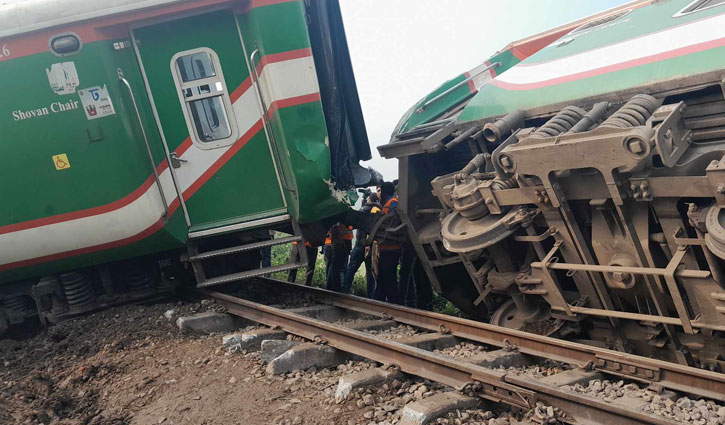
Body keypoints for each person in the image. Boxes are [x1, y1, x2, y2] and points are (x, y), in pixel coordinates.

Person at [343, 193, 381, 296]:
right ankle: (370, 295)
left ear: (368, 199)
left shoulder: (364, 209)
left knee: (351, 269)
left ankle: (345, 291)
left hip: (360, 244)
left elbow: (356, 221)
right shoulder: (378, 210)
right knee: (370, 272)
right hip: (371, 246)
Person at [374, 182, 402, 304]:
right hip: (386, 248)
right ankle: (379, 302)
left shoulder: (393, 203)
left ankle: (394, 304)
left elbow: (393, 222)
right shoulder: (388, 204)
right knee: (383, 277)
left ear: (384, 193)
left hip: (391, 248)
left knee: (389, 278)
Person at [326, 223, 352, 292]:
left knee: (335, 266)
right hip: (340, 242)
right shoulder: (341, 216)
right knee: (336, 267)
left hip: (341, 241)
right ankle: (336, 289)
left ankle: (330, 287)